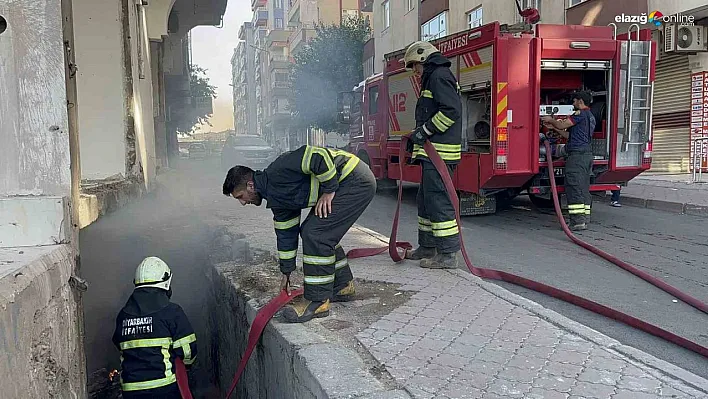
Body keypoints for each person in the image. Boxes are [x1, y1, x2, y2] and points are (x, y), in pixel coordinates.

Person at [222, 145, 376, 323]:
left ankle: (317, 300)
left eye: (240, 196)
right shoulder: (275, 198)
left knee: (316, 234)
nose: (242, 203)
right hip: (346, 183)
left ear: (250, 186)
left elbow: (317, 155)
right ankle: (342, 286)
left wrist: (329, 189)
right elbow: (286, 235)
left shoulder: (279, 170)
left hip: (355, 180)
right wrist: (286, 272)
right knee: (315, 231)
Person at [402, 41, 463, 269]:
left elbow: (451, 111)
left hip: (440, 153)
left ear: (423, 59)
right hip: (433, 152)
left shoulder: (438, 76)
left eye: (415, 66)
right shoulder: (434, 77)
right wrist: (417, 138)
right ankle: (427, 247)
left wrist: (425, 131)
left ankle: (447, 255)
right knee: (425, 201)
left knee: (438, 201)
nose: (415, 72)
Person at [112, 257, 197, 398]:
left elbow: (119, 344)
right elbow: (187, 350)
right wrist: (186, 367)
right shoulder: (172, 312)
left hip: (131, 390)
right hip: (164, 387)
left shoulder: (123, 315)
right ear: (166, 282)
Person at [542, 91, 596, 231]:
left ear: (580, 102)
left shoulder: (580, 114)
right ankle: (585, 218)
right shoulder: (590, 116)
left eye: (574, 101)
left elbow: (563, 125)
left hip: (577, 157)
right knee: (583, 187)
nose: (573, 104)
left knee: (574, 187)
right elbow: (567, 133)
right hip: (586, 155)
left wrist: (550, 119)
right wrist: (554, 127)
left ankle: (578, 222)